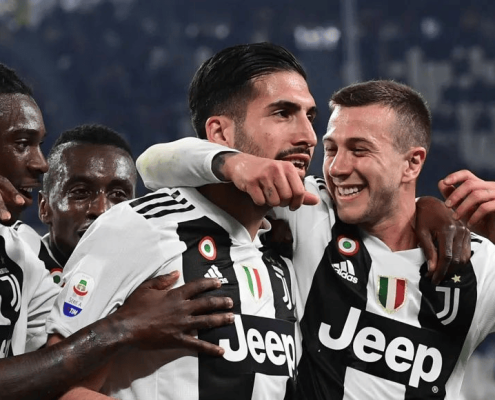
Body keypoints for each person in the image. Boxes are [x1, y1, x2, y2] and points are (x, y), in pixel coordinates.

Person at [136, 79, 495, 399]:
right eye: (332, 148)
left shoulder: (477, 263)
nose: (337, 168)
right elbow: (152, 165)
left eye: (359, 150)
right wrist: (234, 164)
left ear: (412, 164)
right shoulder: (308, 209)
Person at [0, 62, 234, 400]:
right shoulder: (33, 255)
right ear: (45, 208)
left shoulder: (24, 259)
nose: (40, 163)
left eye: (120, 196)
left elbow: (51, 370)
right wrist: (126, 326)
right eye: (23, 143)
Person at [14, 124, 138, 284]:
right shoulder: (14, 276)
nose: (101, 210)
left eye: (118, 194)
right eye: (80, 192)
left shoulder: (156, 276)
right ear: (44, 207)